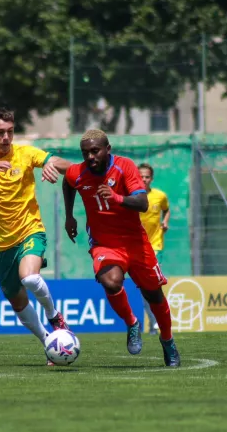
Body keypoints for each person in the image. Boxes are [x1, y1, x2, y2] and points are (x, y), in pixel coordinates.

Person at [0, 106, 72, 365]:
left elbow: (63, 163)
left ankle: (55, 316)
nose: (6, 138)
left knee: (29, 277)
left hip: (29, 230)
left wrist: (53, 164)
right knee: (18, 303)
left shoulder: (26, 153)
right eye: (0, 133)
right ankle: (49, 344)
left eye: (10, 131)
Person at [62, 130, 180, 367]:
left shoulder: (125, 166)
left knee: (153, 294)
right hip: (104, 243)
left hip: (135, 242)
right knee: (111, 280)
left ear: (108, 149)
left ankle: (167, 341)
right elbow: (68, 182)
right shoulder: (79, 171)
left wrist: (116, 198)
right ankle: (132, 323)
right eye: (85, 153)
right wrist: (69, 216)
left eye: (95, 151)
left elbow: (142, 203)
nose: (90, 156)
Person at [138, 163, 170, 335]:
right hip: (137, 247)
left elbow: (167, 209)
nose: (144, 179)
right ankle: (152, 321)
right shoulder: (132, 196)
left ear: (151, 178)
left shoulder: (160, 196)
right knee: (145, 288)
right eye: (141, 176)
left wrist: (165, 222)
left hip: (155, 246)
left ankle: (158, 320)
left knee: (153, 284)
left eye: (147, 177)